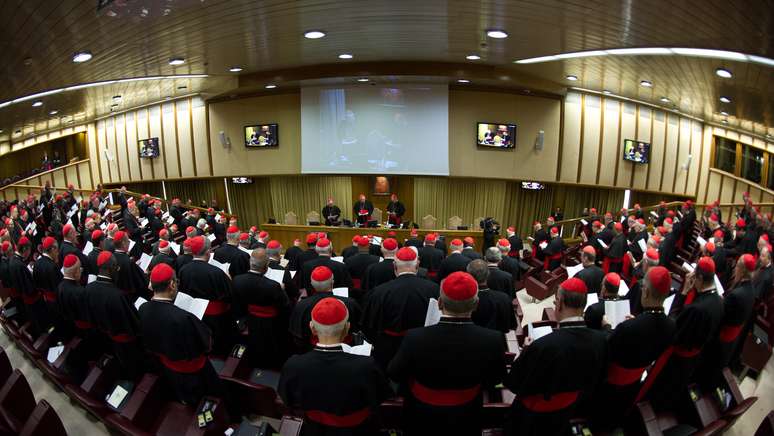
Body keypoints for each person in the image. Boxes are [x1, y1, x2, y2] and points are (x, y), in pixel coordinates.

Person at [388, 271, 506, 436]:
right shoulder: (493, 339)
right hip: (467, 412)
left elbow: (395, 373)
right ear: (476, 304)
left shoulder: (415, 337)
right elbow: (496, 378)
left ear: (440, 303)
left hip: (421, 413)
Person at [504, 278, 607, 436]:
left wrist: (526, 351)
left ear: (560, 304)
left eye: (556, 300)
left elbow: (513, 383)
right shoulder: (601, 339)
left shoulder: (542, 346)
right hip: (568, 411)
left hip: (532, 419)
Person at [279, 297, 392, 434]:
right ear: (347, 328)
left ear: (312, 328)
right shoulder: (366, 365)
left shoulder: (294, 365)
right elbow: (381, 395)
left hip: (314, 429)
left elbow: (287, 398)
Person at [592, 266, 675, 429]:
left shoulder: (629, 327)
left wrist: (607, 327)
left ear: (645, 293)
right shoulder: (671, 325)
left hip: (609, 385)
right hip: (633, 384)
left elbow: (608, 345)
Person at [646, 257, 724, 410]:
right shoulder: (719, 301)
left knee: (661, 390)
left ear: (699, 278)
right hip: (693, 358)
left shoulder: (695, 309)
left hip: (675, 360)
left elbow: (672, 327)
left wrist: (683, 293)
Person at [138, 263, 221, 405]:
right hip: (195, 374)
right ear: (172, 284)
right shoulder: (183, 317)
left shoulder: (142, 308)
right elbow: (206, 343)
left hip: (168, 369)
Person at [360, 247, 439, 369]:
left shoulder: (379, 292)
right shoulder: (434, 289)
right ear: (417, 264)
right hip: (423, 347)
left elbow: (369, 326)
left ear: (394, 265)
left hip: (388, 349)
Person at [696, 254, 756, 388]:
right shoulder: (751, 289)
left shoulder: (737, 294)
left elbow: (721, 314)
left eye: (737, 266)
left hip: (720, 340)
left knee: (706, 371)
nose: (735, 269)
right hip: (731, 341)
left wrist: (719, 301)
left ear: (741, 269)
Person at [85, 251, 143, 379]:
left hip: (105, 337)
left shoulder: (89, 288)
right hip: (126, 343)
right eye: (116, 267)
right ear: (111, 269)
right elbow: (133, 324)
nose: (118, 270)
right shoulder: (118, 296)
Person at [232, 249, 291, 369]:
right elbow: (285, 306)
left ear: (250, 263)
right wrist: (282, 290)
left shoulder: (237, 280)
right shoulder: (273, 286)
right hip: (273, 325)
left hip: (249, 321)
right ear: (266, 266)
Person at [178, 236, 234, 355]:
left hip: (196, 315)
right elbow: (229, 294)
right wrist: (228, 279)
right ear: (208, 252)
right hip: (216, 318)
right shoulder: (216, 272)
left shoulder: (183, 270)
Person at [289, 266, 361, 350]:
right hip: (346, 350)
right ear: (332, 282)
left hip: (311, 350)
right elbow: (358, 327)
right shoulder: (350, 303)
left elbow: (297, 334)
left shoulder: (301, 305)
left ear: (312, 284)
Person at [468, 260, 516, 333]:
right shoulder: (504, 298)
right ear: (488, 275)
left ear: (469, 276)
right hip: (497, 340)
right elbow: (512, 326)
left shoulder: (464, 299)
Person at [32, 237, 62, 335]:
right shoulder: (52, 267)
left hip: (47, 302)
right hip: (58, 303)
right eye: (57, 249)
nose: (58, 252)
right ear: (52, 249)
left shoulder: (37, 264)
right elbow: (59, 289)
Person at [112, 231, 150, 301]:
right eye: (128, 240)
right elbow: (141, 282)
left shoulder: (113, 257)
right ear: (123, 243)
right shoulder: (128, 262)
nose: (129, 243)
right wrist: (145, 273)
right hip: (134, 297)